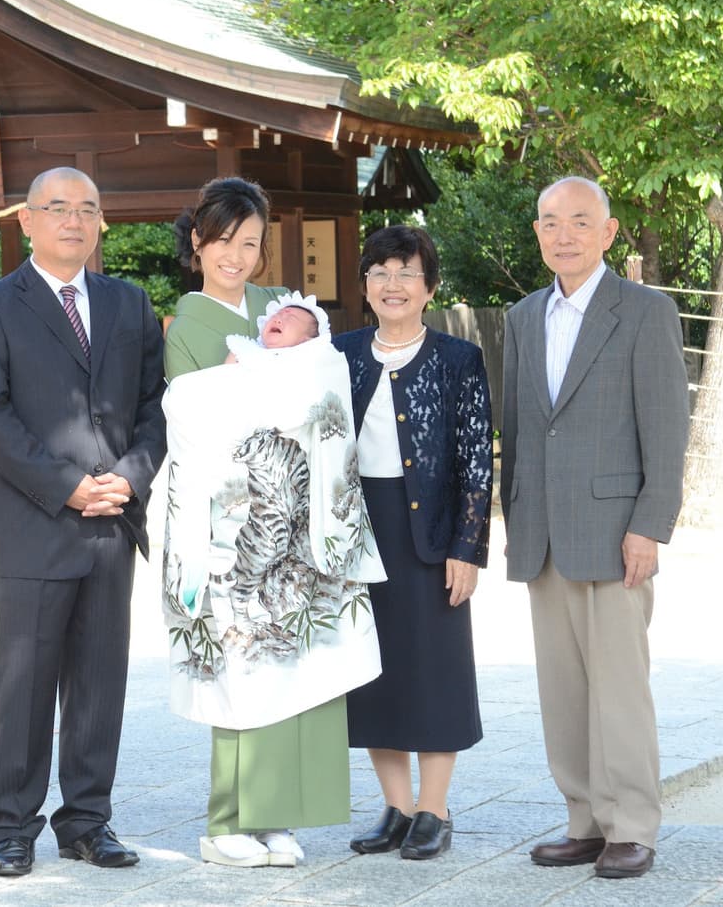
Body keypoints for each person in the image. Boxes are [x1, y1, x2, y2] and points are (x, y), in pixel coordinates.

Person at [0, 167, 167, 878]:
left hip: (112, 521)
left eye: (87, 209)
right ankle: (12, 826)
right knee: (24, 679)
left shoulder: (129, 304)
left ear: (102, 222)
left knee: (101, 680)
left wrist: (128, 478)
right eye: (57, 208)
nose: (73, 220)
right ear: (28, 221)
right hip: (30, 522)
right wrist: (67, 487)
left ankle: (88, 821)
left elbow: (153, 407)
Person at [500, 176, 689, 879]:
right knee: (564, 688)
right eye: (551, 222)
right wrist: (516, 525)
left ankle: (632, 823)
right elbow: (519, 429)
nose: (565, 234)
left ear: (608, 233)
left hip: (616, 533)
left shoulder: (643, 311)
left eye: (581, 221)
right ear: (539, 231)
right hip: (544, 532)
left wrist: (651, 525)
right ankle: (583, 819)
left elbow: (667, 427)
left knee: (619, 687)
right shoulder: (523, 317)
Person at [163, 289, 385, 869]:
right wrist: (233, 381)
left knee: (302, 682)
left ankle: (279, 817)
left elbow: (314, 410)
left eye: (298, 321)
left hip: (307, 549)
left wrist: (250, 386)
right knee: (244, 677)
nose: (282, 323)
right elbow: (184, 402)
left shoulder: (322, 362)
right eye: (277, 318)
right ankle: (227, 823)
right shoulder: (221, 347)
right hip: (236, 541)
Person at [333, 225, 493, 860]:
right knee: (374, 672)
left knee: (434, 670)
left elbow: (476, 460)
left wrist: (468, 546)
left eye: (406, 272)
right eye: (379, 271)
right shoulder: (338, 353)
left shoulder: (459, 359)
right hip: (357, 529)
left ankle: (436, 807)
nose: (391, 284)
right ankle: (396, 807)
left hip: (430, 532)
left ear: (429, 286)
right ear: (365, 285)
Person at [164, 177, 286, 378]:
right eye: (223, 239)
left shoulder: (282, 303)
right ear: (197, 240)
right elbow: (185, 407)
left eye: (249, 244)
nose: (235, 257)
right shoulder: (182, 334)